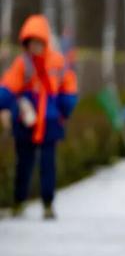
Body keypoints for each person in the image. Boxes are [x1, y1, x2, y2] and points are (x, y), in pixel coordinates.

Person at [0, 14, 78, 218]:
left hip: (50, 122)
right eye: (31, 43)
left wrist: (66, 107)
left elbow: (68, 87)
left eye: (38, 42)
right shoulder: (22, 64)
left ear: (45, 42)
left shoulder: (58, 63)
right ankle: (19, 201)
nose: (35, 47)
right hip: (26, 121)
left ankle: (48, 203)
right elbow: (8, 87)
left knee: (48, 164)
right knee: (23, 163)